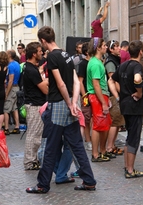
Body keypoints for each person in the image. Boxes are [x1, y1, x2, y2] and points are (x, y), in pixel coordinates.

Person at [26, 26, 96, 193]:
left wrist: (69, 103)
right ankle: (89, 180)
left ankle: (43, 184)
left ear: (43, 41)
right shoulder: (66, 54)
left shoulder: (52, 57)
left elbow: (61, 84)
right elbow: (76, 82)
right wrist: (74, 101)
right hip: (69, 102)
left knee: (50, 146)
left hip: (58, 105)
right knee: (77, 145)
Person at [108, 40, 143, 179]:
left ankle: (127, 166)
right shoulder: (137, 66)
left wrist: (117, 95)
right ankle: (130, 170)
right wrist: (139, 93)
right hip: (135, 106)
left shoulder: (123, 65)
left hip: (124, 104)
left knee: (129, 136)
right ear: (141, 52)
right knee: (133, 137)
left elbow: (111, 80)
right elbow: (137, 79)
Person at [23, 42, 48, 171]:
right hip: (34, 105)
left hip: (35, 104)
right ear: (34, 54)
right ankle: (30, 161)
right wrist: (48, 83)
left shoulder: (31, 68)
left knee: (36, 134)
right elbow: (44, 90)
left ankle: (33, 159)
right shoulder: (30, 69)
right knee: (33, 134)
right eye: (39, 51)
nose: (41, 53)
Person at [87, 37, 112, 162]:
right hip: (98, 97)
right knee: (98, 125)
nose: (106, 47)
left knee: (104, 124)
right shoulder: (96, 64)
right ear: (98, 48)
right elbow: (96, 84)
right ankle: (96, 154)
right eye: (104, 45)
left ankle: (101, 151)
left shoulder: (95, 61)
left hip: (100, 96)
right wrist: (103, 102)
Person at [105, 39, 125, 157]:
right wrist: (119, 94)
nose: (119, 48)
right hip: (113, 95)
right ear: (111, 49)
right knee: (114, 122)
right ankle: (109, 147)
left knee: (117, 122)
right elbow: (113, 79)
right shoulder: (110, 62)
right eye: (116, 47)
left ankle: (112, 145)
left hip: (116, 94)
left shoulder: (116, 60)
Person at [76, 42, 92, 151]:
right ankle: (88, 140)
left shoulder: (96, 62)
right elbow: (80, 81)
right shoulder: (82, 64)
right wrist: (84, 95)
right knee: (87, 118)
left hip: (94, 94)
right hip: (86, 94)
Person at [4, 49, 21, 135]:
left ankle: (6, 128)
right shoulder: (17, 64)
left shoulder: (10, 66)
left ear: (9, 55)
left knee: (6, 108)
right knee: (14, 108)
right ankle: (17, 126)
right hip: (16, 87)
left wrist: (7, 92)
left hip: (12, 88)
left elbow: (10, 80)